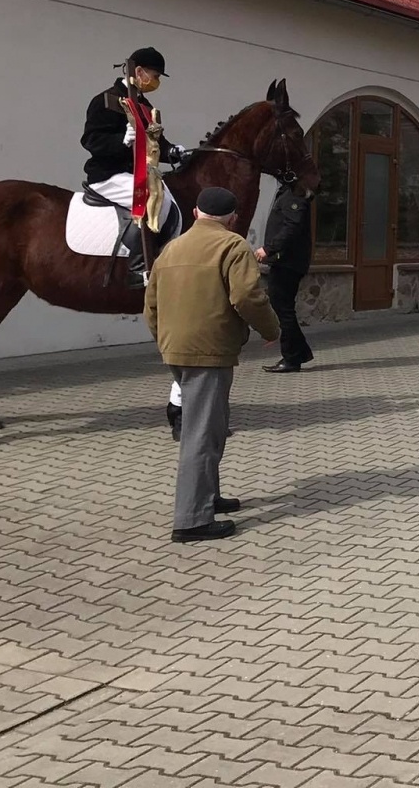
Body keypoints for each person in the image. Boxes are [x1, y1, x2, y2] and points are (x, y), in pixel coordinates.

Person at [145, 187, 279, 543]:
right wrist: (271, 328)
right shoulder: (233, 246)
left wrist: (164, 339)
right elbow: (247, 296)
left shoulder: (171, 248)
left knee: (212, 424)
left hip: (175, 348)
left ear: (194, 212)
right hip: (210, 349)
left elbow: (151, 304)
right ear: (233, 218)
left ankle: (208, 497)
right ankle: (191, 520)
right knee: (202, 433)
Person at [81, 47, 189, 284]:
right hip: (109, 174)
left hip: (139, 171)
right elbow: (90, 140)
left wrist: (170, 151)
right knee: (152, 199)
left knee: (171, 201)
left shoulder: (144, 105)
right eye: (156, 75)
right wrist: (121, 140)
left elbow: (154, 141)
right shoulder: (106, 101)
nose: (157, 81)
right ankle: (139, 265)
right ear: (138, 71)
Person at [257, 178, 315, 372]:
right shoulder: (287, 192)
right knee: (283, 308)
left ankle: (292, 358)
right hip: (284, 261)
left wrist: (269, 249)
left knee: (283, 310)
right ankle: (299, 353)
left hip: (287, 262)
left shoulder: (294, 194)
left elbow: (292, 226)